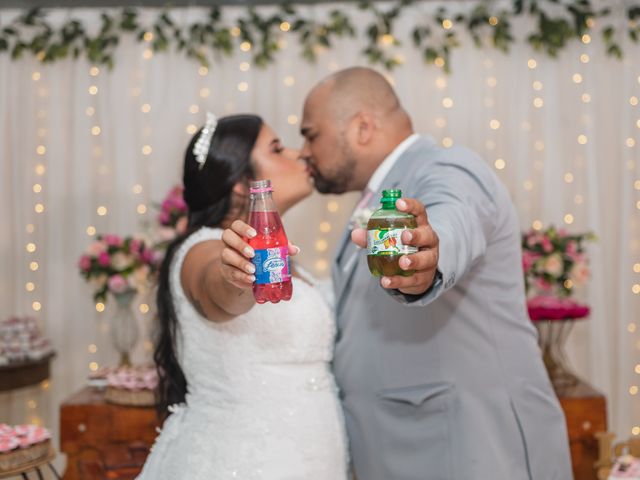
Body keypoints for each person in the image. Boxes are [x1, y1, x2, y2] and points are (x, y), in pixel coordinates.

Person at [298, 67, 573, 479]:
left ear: (362, 127)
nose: (304, 150)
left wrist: (429, 257)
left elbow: (453, 217)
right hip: (400, 451)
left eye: (310, 133)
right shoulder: (375, 198)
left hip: (469, 453)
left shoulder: (447, 167)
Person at [137, 113, 349, 479]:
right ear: (241, 183)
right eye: (278, 149)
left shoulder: (286, 261)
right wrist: (235, 278)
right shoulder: (202, 251)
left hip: (311, 459)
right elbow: (218, 289)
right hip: (242, 463)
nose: (300, 154)